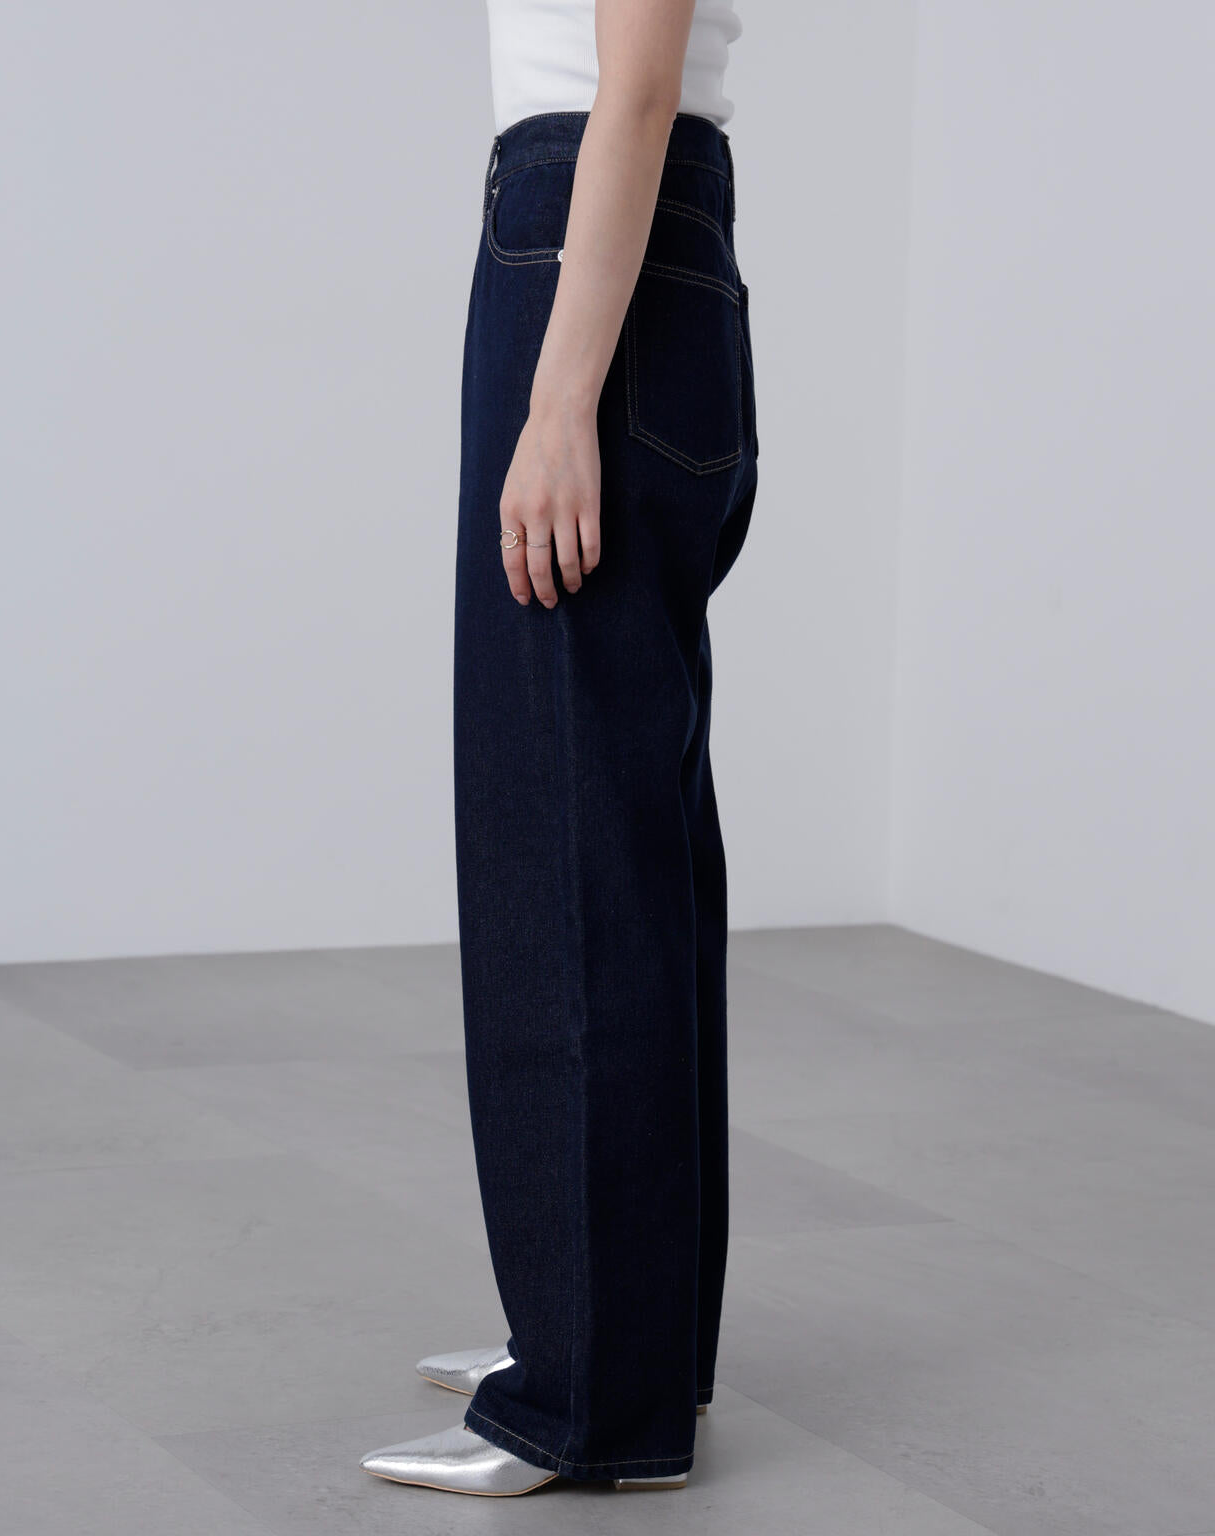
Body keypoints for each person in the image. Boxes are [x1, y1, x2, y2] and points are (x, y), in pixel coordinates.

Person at [361, 0, 757, 1497]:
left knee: (568, 850)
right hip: (622, 244)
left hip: (594, 255)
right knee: (628, 847)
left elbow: (634, 91)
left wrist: (557, 397)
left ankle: (593, 1391)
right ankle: (629, 1340)